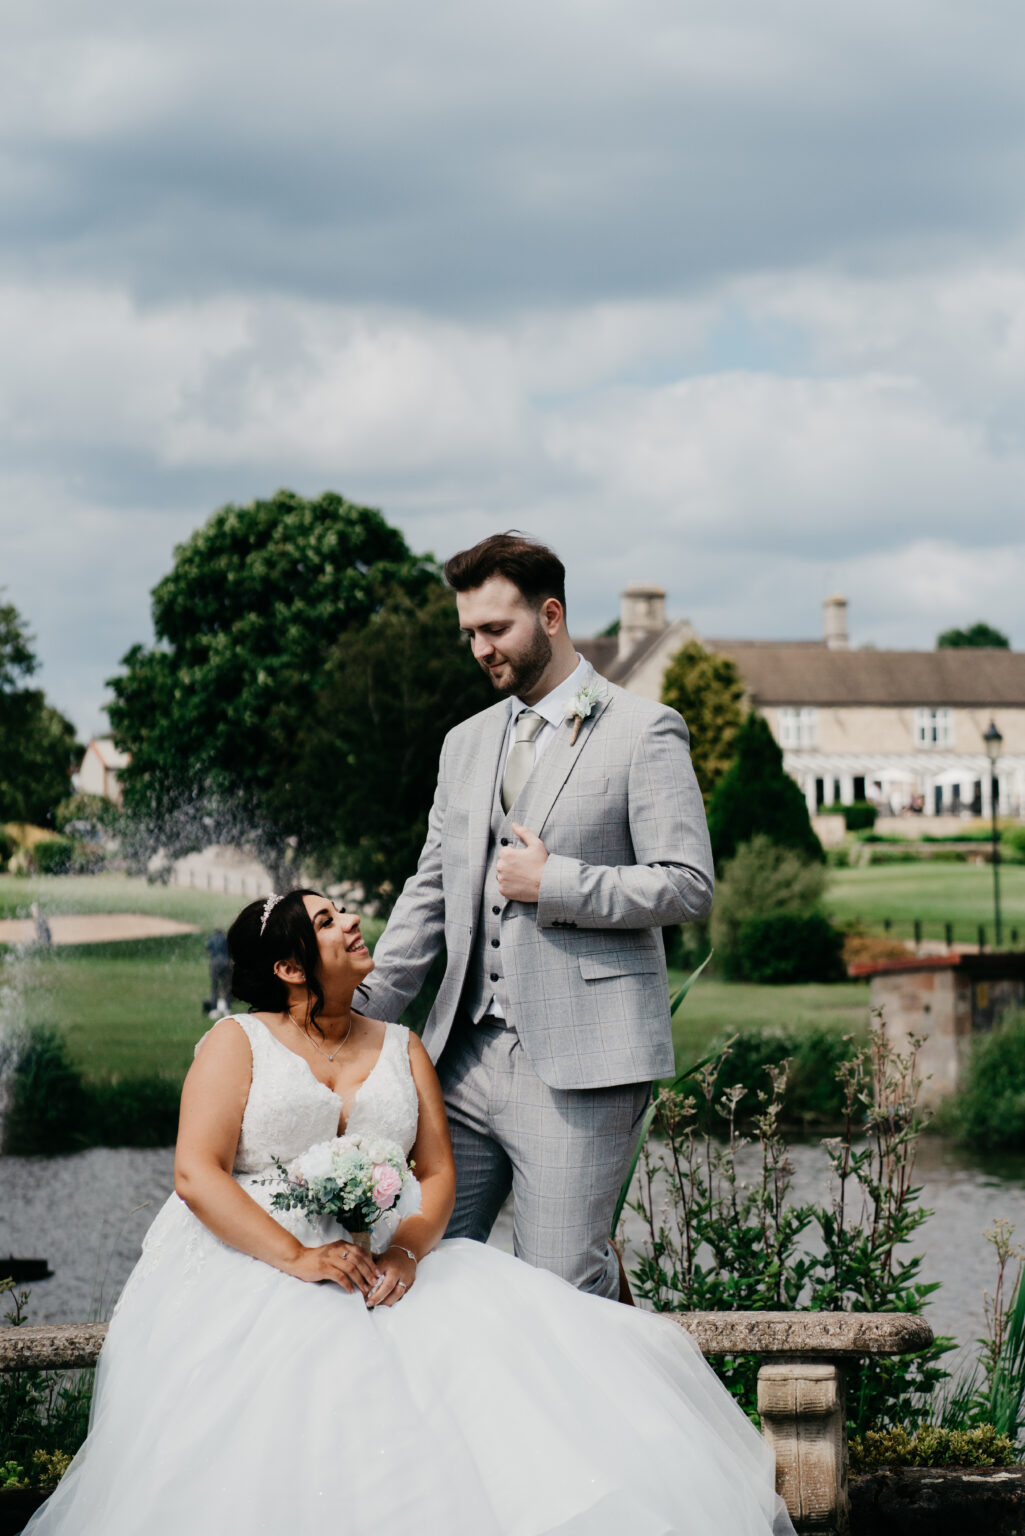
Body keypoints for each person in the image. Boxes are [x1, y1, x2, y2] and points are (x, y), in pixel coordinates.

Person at [26, 888, 792, 1536]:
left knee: (503, 1369)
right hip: (253, 1263)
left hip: (386, 1263)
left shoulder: (403, 1046)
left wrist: (408, 1254)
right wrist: (296, 1258)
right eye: (325, 923)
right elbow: (197, 1174)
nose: (352, 922)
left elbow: (436, 1173)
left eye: (342, 911)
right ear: (289, 968)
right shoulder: (236, 1043)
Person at [362, 533, 713, 1300]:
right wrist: (347, 1012)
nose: (480, 649)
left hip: (582, 1068)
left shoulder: (643, 729)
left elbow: (687, 885)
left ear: (550, 615)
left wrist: (559, 882)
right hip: (459, 1060)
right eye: (469, 634)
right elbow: (430, 891)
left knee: (559, 1292)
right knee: (420, 1276)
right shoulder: (464, 744)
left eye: (495, 629)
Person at [203, 927, 231, 1019]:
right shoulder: (225, 938)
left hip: (214, 963)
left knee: (214, 987)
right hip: (225, 962)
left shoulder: (211, 939)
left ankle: (214, 1009)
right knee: (226, 986)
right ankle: (227, 1008)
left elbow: (208, 950)